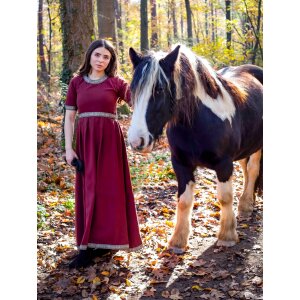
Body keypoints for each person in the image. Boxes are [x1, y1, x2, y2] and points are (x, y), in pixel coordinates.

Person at [64, 39, 142, 268]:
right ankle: (86, 247)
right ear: (89, 55)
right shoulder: (76, 83)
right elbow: (69, 118)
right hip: (85, 142)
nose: (100, 60)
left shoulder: (117, 83)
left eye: (106, 57)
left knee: (110, 191)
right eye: (97, 55)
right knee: (88, 191)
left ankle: (107, 243)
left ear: (111, 61)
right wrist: (69, 149)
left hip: (110, 142)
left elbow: (141, 103)